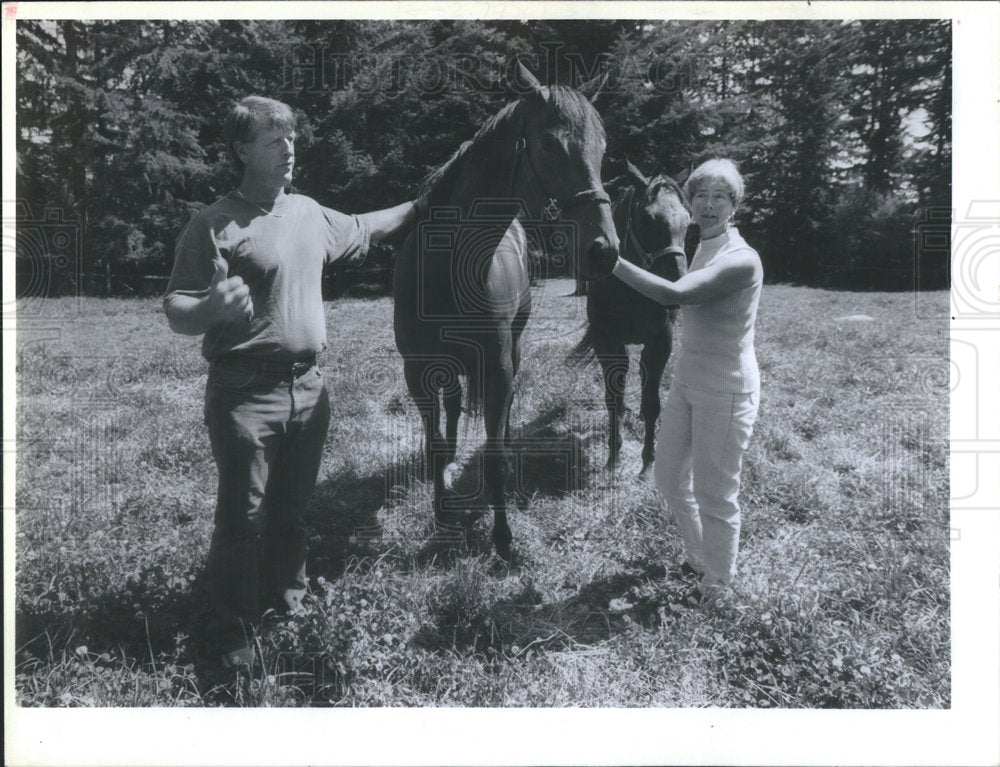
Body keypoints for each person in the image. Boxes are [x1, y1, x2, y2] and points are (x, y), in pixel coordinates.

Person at [164, 96, 422, 668]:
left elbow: (366, 227)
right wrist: (209, 307)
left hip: (310, 390)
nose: (289, 149)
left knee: (292, 513)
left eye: (292, 139)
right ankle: (231, 635)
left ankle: (289, 609)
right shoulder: (213, 223)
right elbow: (176, 307)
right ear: (241, 151)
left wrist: (424, 201)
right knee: (241, 522)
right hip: (244, 393)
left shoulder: (308, 212)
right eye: (273, 140)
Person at [610, 158, 763, 600]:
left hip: (727, 390)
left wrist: (612, 261)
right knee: (669, 477)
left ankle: (719, 585)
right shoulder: (702, 245)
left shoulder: (741, 259)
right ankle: (699, 558)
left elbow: (674, 295)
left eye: (720, 197)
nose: (709, 204)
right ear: (689, 203)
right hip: (688, 382)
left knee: (716, 493)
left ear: (735, 205)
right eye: (701, 195)